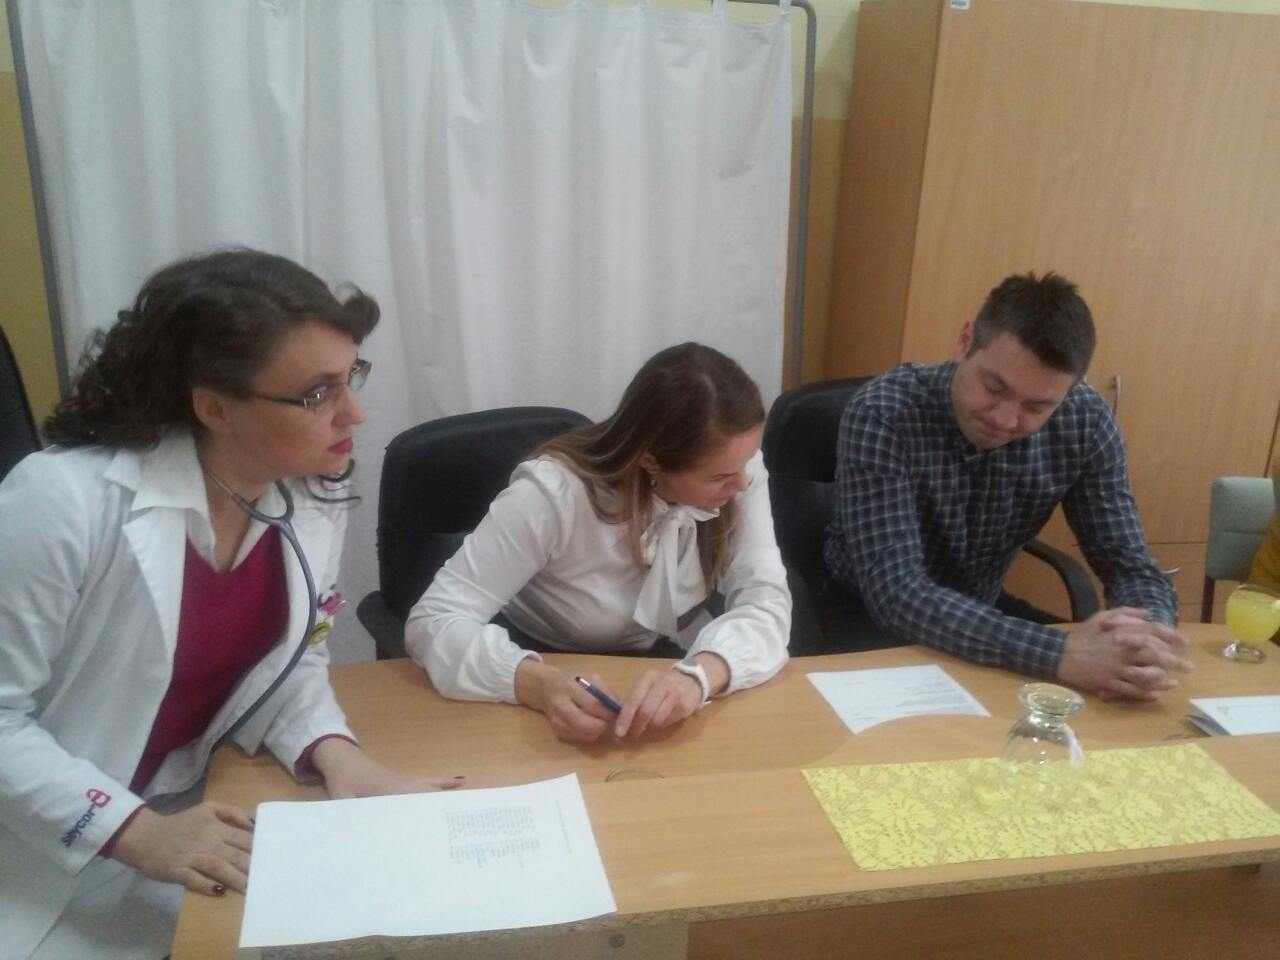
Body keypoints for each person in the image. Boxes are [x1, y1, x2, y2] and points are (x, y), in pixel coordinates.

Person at [0, 250, 460, 960]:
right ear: (214, 407)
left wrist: (337, 753)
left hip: (193, 809)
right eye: (317, 393)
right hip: (42, 842)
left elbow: (294, 661)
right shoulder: (63, 501)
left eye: (351, 378)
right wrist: (134, 832)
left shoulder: (307, 497)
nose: (355, 413)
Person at [823, 272, 1191, 701]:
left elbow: (1130, 564)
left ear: (1069, 392)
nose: (1005, 419)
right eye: (994, 387)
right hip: (863, 615)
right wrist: (1062, 653)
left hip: (982, 611)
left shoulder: (1086, 422)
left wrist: (1144, 638)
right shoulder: (884, 411)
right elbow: (897, 591)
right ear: (965, 342)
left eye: (1037, 406)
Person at [406, 342, 791, 744]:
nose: (743, 484)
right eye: (720, 478)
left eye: (746, 464)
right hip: (547, 668)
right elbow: (432, 622)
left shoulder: (737, 466)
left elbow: (766, 598)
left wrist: (701, 676)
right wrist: (536, 684)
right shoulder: (552, 496)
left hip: (664, 665)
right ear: (650, 461)